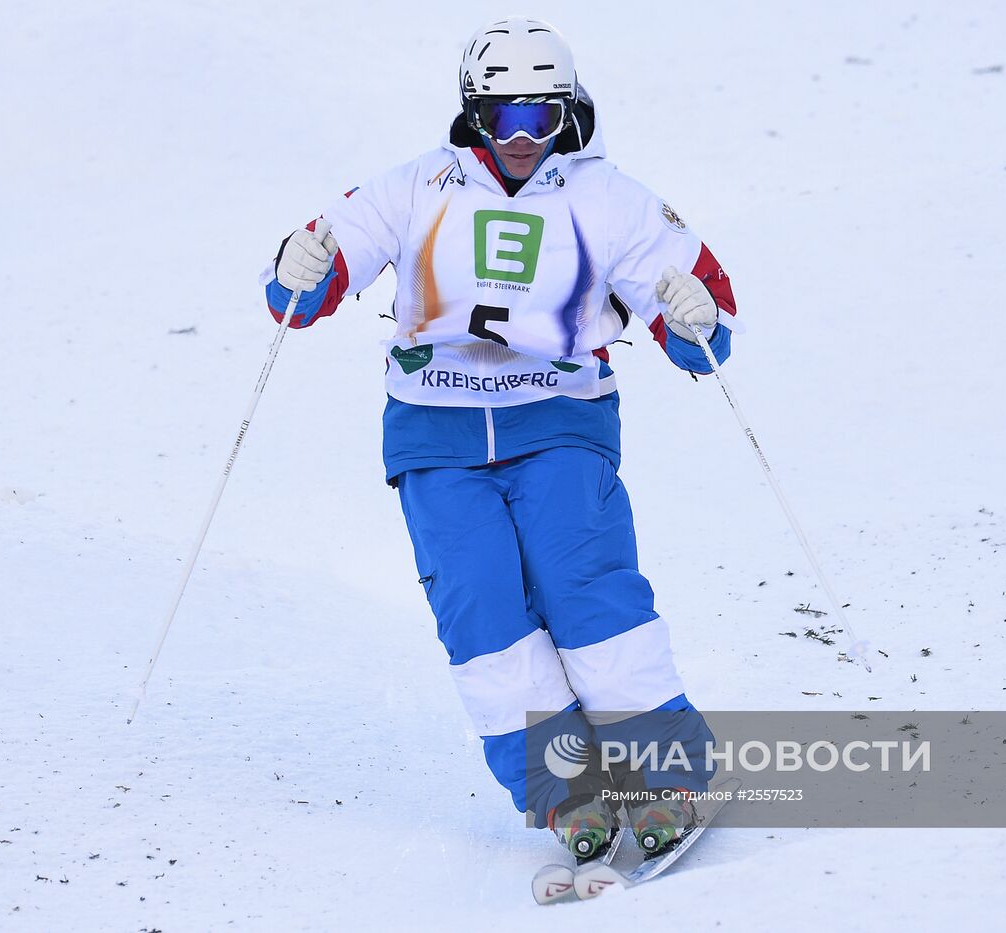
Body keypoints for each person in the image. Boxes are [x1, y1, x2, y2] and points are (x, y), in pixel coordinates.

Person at [263, 16, 739, 862]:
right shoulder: (419, 186)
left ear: (570, 112)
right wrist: (302, 268)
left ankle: (669, 776)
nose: (525, 138)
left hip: (558, 416)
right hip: (434, 430)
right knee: (480, 607)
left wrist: (692, 317)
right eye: (506, 117)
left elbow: (698, 305)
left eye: (544, 116)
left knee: (582, 582)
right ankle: (568, 791)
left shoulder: (605, 195)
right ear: (475, 115)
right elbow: (314, 275)